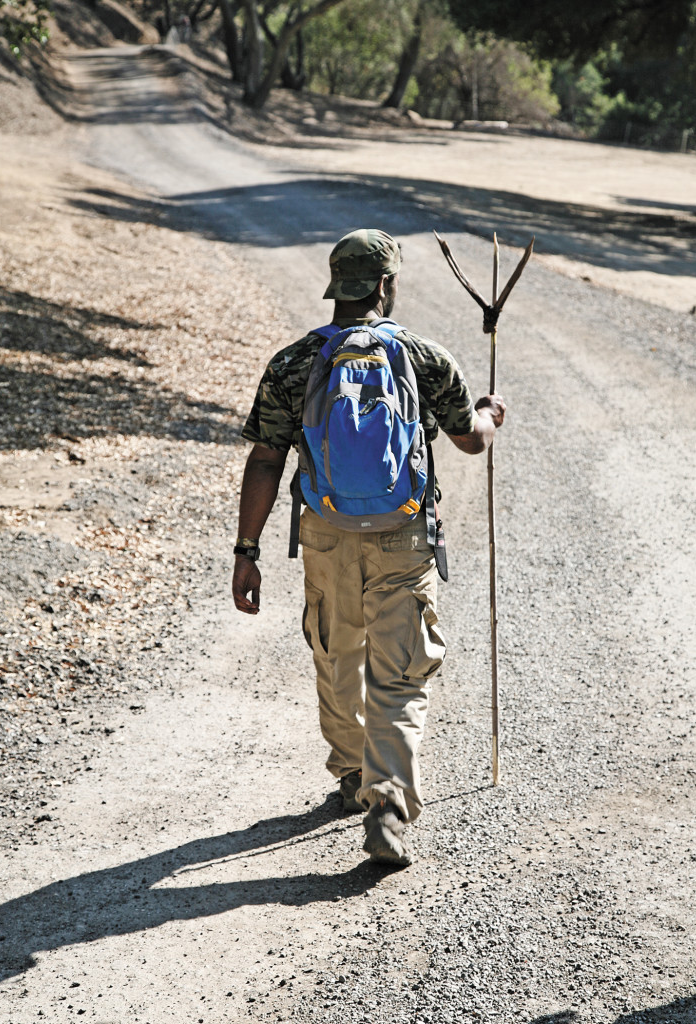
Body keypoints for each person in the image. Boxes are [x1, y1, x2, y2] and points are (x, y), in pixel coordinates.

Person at [232, 228, 505, 867]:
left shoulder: (293, 363)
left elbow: (266, 459)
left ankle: (352, 773)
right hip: (404, 534)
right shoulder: (423, 355)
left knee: (335, 652)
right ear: (386, 284)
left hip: (325, 535)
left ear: (336, 285)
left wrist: (247, 551)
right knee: (403, 671)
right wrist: (491, 414)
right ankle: (387, 800)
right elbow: (468, 438)